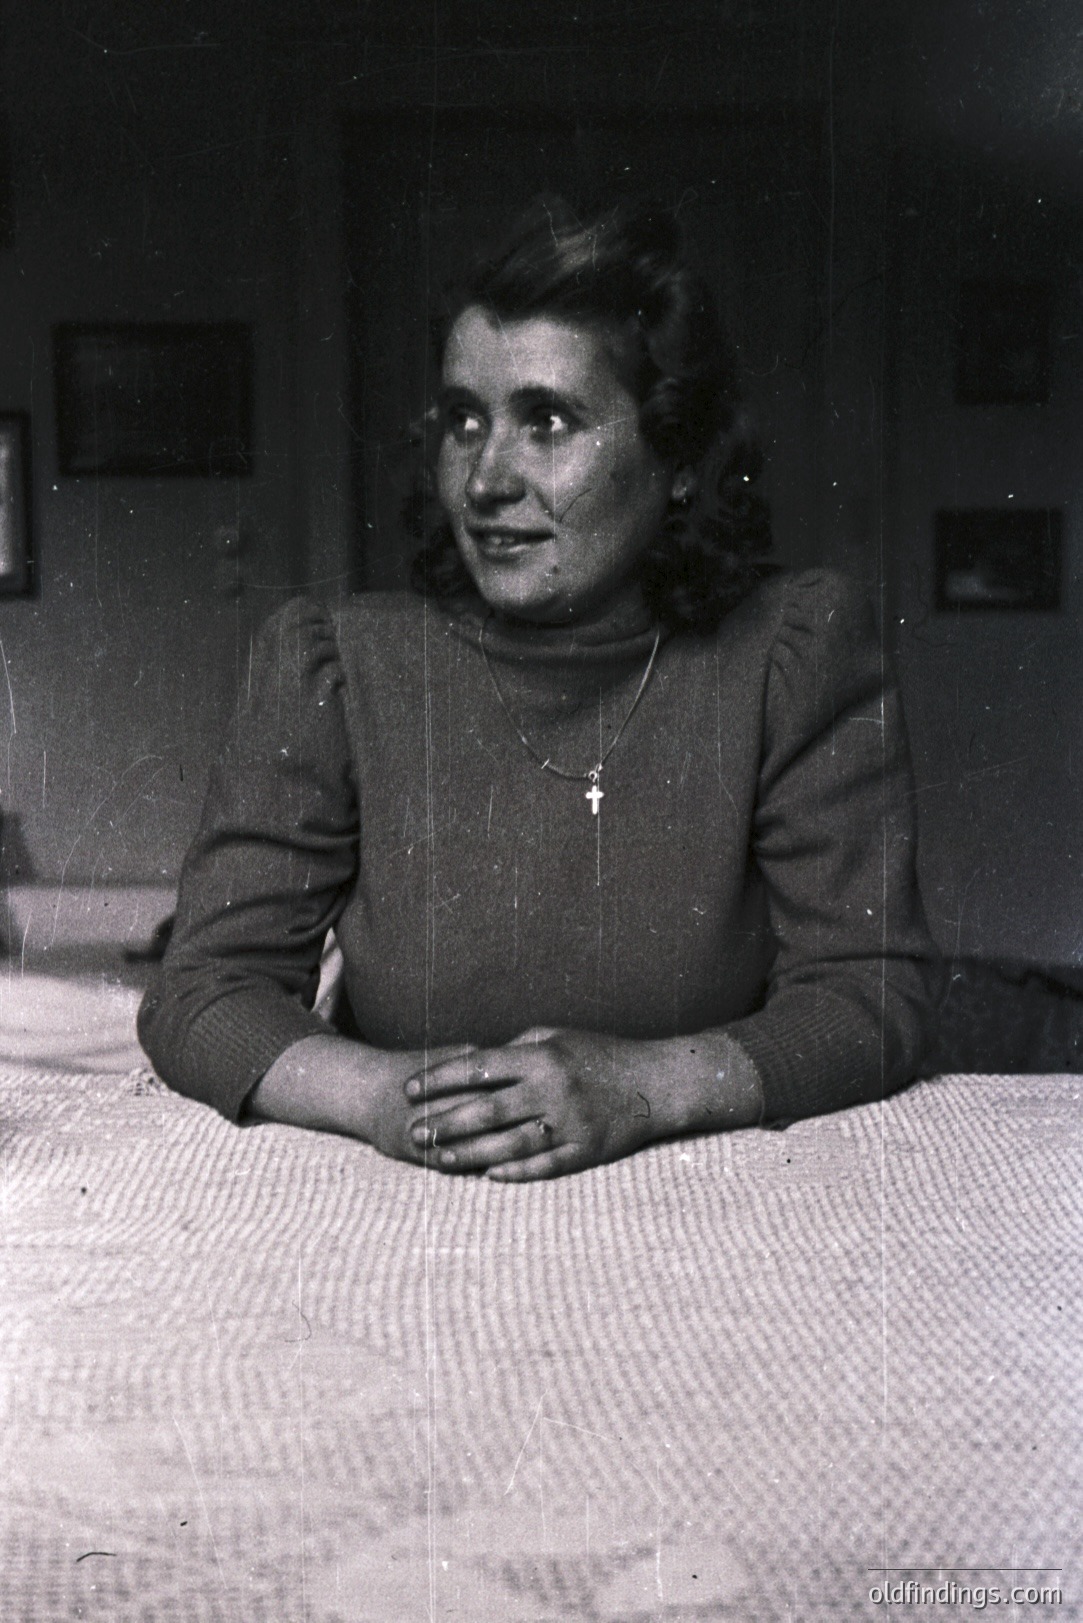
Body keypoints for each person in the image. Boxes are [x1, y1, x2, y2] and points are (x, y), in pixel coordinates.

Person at [138, 197, 941, 1181]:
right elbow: (203, 990)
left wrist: (641, 1090)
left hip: (718, 1194)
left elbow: (877, 989)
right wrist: (390, 1103)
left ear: (680, 460)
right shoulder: (334, 667)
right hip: (415, 1197)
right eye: (463, 422)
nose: (484, 480)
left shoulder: (794, 652)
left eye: (548, 422)